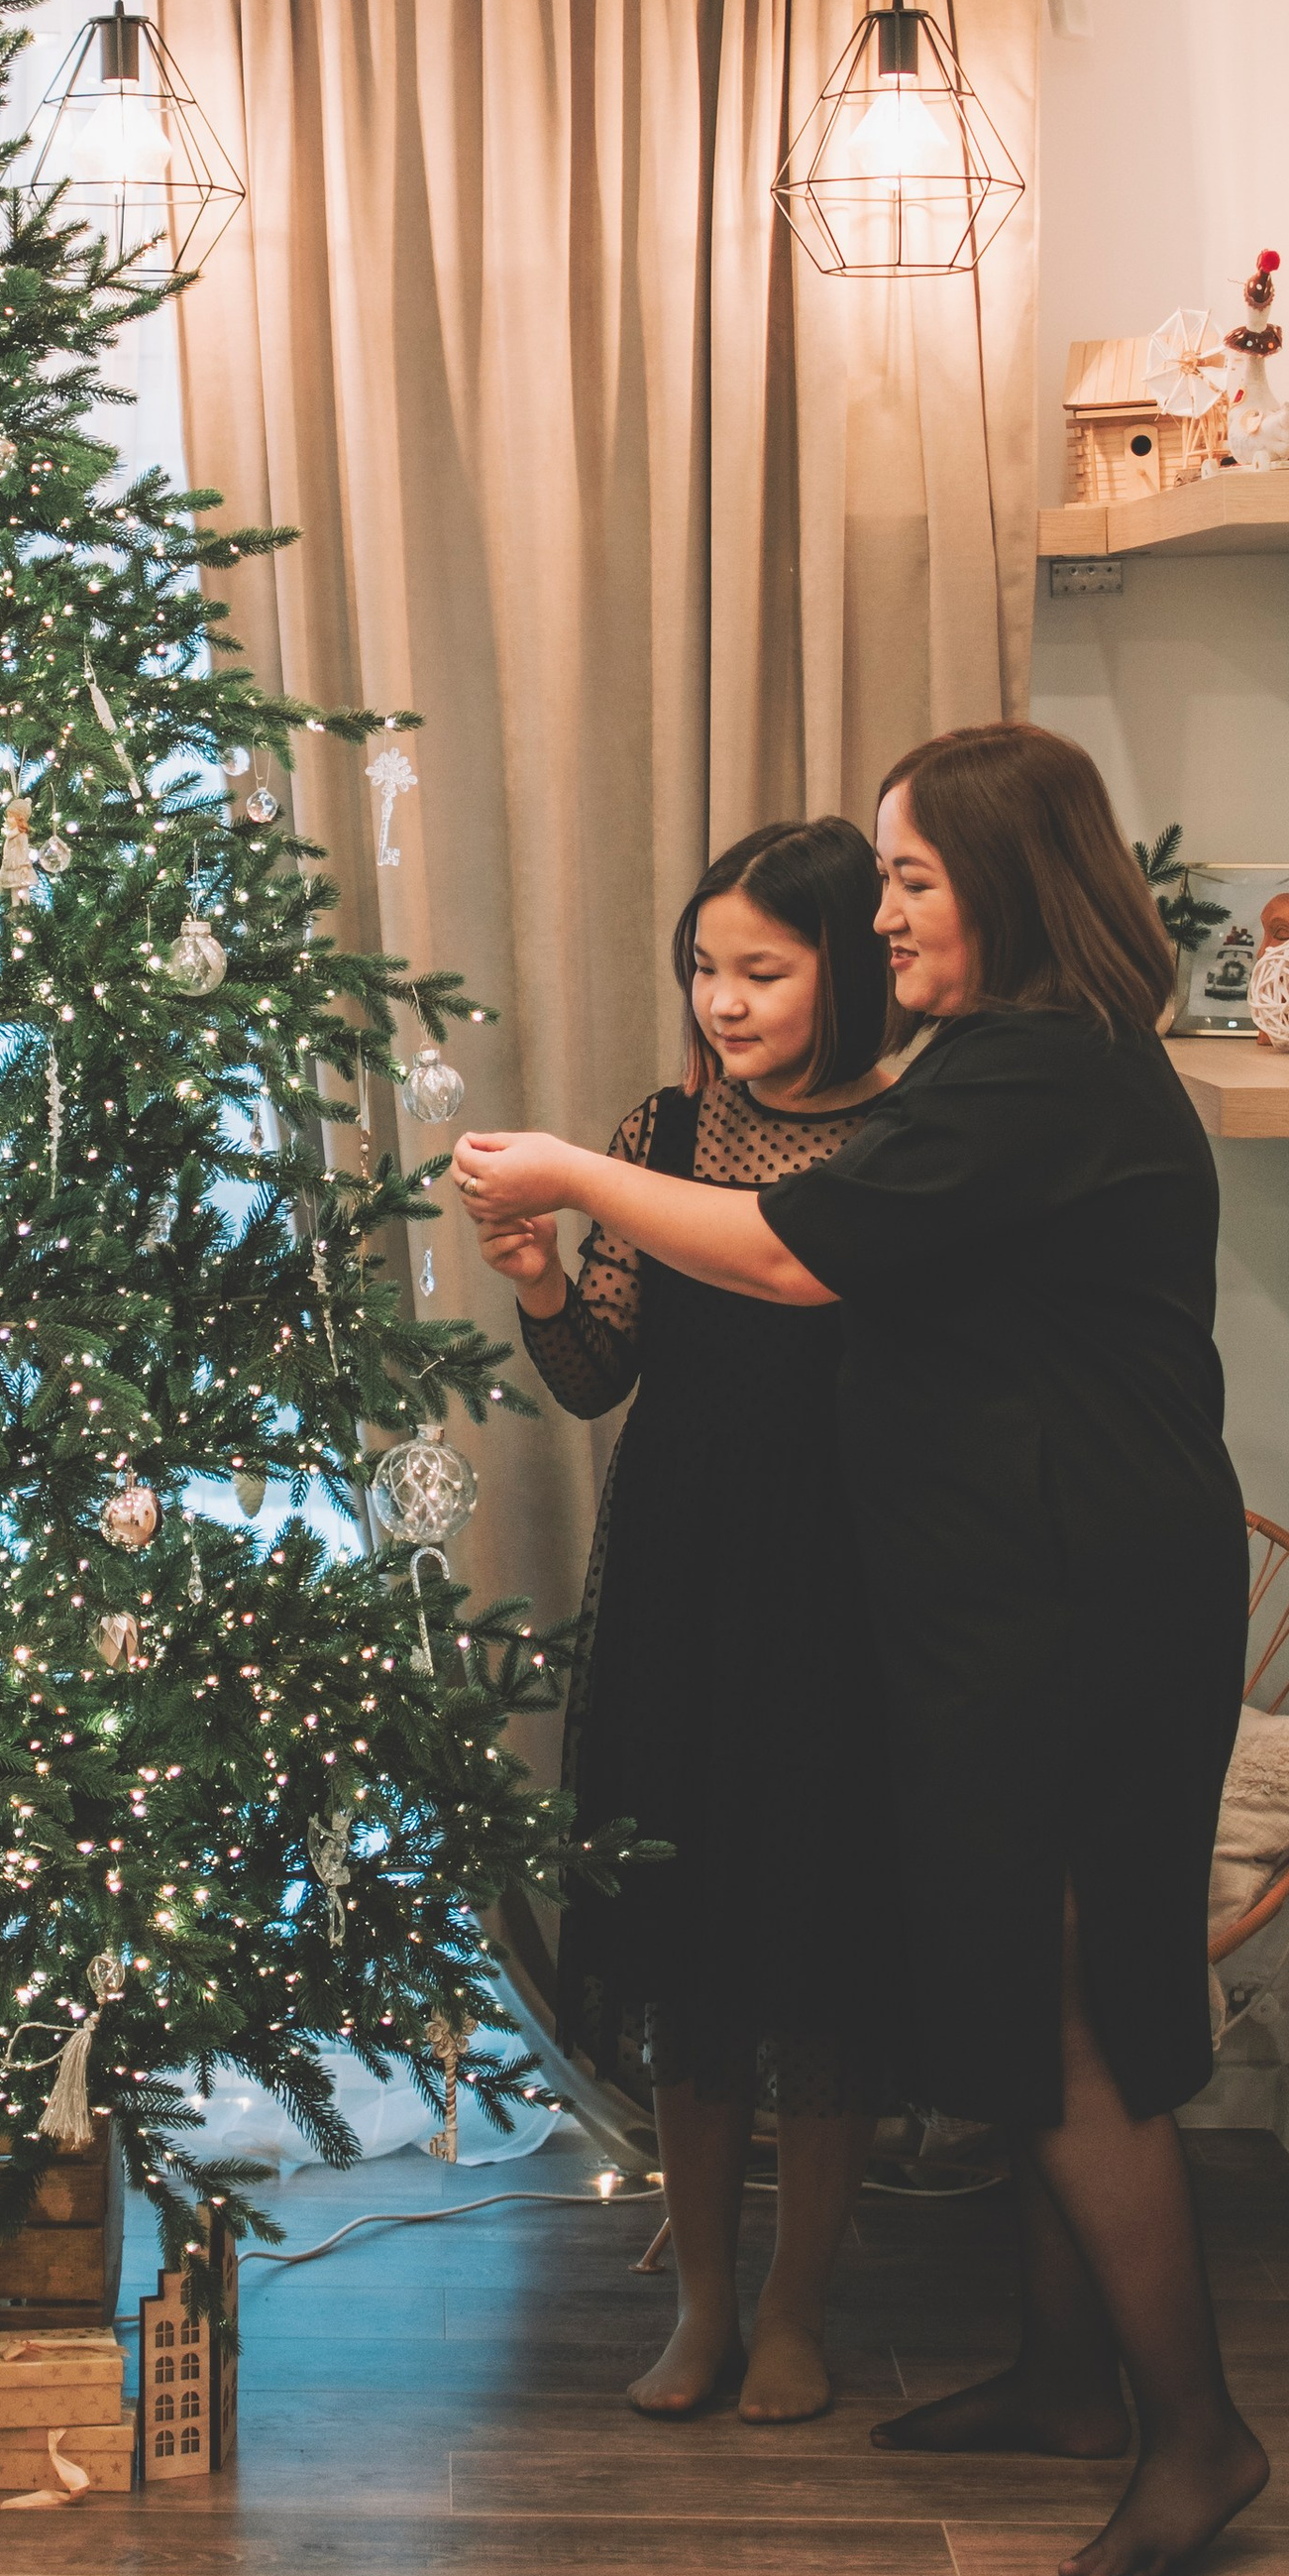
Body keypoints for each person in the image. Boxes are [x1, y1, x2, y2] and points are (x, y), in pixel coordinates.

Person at [455, 722, 1262, 2576]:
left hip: (1082, 1597)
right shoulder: (1004, 1063)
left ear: (1006, 881)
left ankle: (1199, 2431)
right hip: (1026, 1585)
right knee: (1015, 1980)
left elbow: (795, 1258)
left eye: (910, 878)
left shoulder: (1037, 1073)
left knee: (1074, 2009)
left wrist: (578, 1167)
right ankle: (1068, 2383)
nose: (887, 912)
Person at [477, 819, 904, 2426]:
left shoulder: (914, 1129)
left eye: (761, 971)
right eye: (704, 969)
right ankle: (709, 2302)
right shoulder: (662, 1126)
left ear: (844, 968)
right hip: (679, 1570)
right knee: (684, 1935)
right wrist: (533, 1281)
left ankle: (802, 2309)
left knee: (822, 1942)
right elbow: (598, 1373)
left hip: (852, 1576)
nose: (723, 1001)